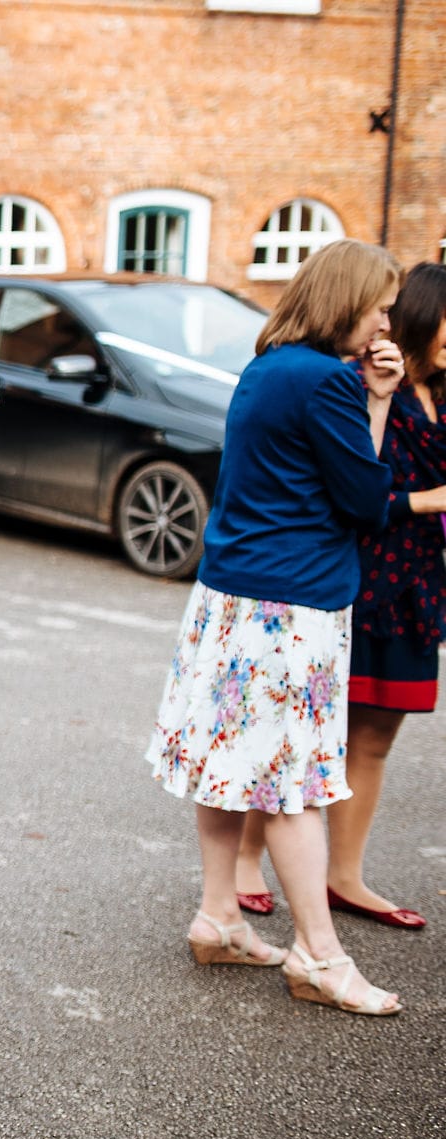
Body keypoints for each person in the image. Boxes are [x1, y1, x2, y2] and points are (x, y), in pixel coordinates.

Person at [146, 239, 405, 1016]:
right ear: (348, 303)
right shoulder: (329, 380)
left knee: (232, 761)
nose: (388, 317)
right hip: (292, 608)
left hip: (231, 597)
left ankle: (220, 913)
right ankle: (321, 956)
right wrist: (381, 402)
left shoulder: (267, 364)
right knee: (292, 783)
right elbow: (367, 499)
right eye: (381, 304)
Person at [231, 261, 446, 930]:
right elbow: (358, 493)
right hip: (355, 577)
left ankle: (342, 874)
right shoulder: (346, 383)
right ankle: (244, 860)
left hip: (418, 585)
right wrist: (428, 498)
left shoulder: (436, 390)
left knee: (376, 734)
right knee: (297, 736)